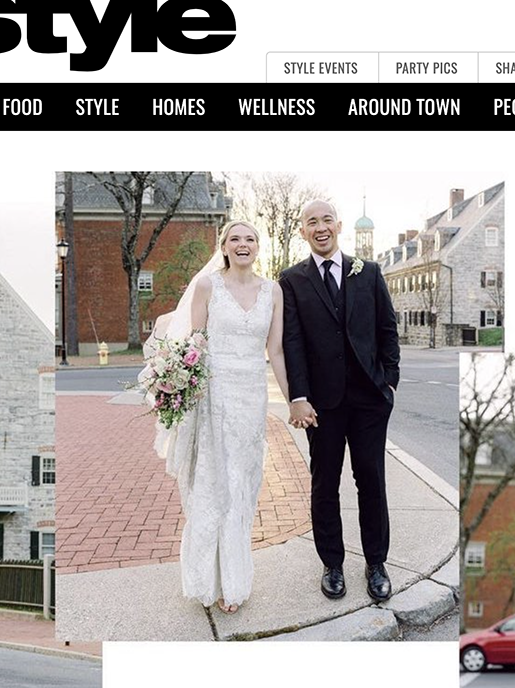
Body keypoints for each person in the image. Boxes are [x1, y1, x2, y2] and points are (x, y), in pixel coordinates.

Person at [148, 220, 295, 614]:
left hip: (251, 400)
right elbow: (195, 343)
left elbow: (276, 351)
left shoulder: (273, 291)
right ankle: (207, 582)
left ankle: (234, 578)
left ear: (258, 248)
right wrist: (179, 385)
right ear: (224, 246)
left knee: (243, 486)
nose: (242, 245)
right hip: (213, 397)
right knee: (214, 485)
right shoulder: (208, 286)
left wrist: (293, 398)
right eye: (235, 239)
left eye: (249, 239)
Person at [279, 201, 401, 602]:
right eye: (311, 222)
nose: (320, 227)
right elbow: (291, 341)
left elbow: (387, 329)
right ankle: (332, 565)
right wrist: (298, 397)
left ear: (339, 226)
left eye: (326, 220)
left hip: (369, 400)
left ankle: (376, 563)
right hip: (322, 405)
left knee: (371, 482)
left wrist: (390, 384)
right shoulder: (291, 280)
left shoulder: (369, 272)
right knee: (324, 483)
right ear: (302, 231)